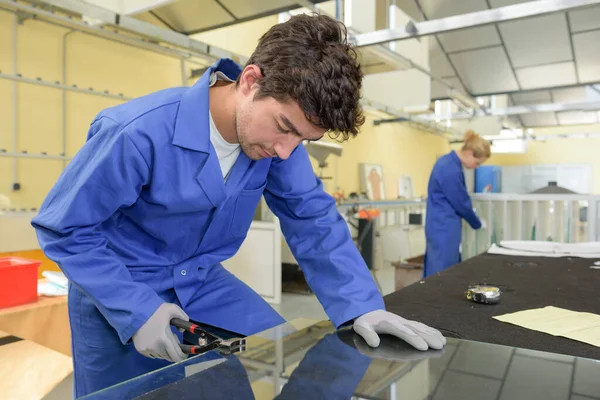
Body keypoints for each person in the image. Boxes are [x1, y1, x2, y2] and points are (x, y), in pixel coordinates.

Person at [32, 13, 446, 397]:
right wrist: (136, 309)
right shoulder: (136, 132)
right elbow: (63, 229)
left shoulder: (279, 144)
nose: (286, 152)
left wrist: (361, 308)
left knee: (277, 355)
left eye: (303, 139)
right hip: (118, 283)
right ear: (250, 81)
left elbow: (312, 218)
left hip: (202, 282)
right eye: (285, 128)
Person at [423, 130, 491, 278]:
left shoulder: (448, 163)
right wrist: (477, 222)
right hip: (443, 228)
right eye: (477, 163)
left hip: (440, 226)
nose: (477, 167)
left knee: (441, 268)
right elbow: (461, 201)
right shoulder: (450, 169)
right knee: (441, 273)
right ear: (470, 153)